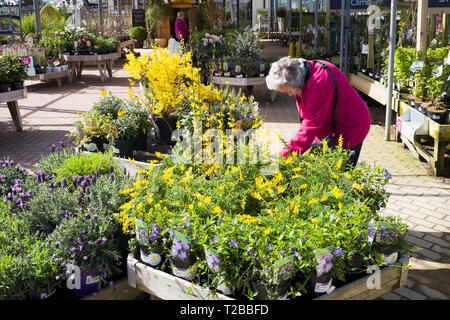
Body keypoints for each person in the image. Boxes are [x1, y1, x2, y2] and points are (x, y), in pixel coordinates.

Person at [266, 57, 372, 166]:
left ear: (291, 84)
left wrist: (282, 158)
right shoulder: (303, 74)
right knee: (317, 167)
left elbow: (310, 126)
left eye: (289, 91)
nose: (289, 94)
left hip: (351, 126)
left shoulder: (319, 82)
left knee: (339, 173)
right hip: (330, 126)